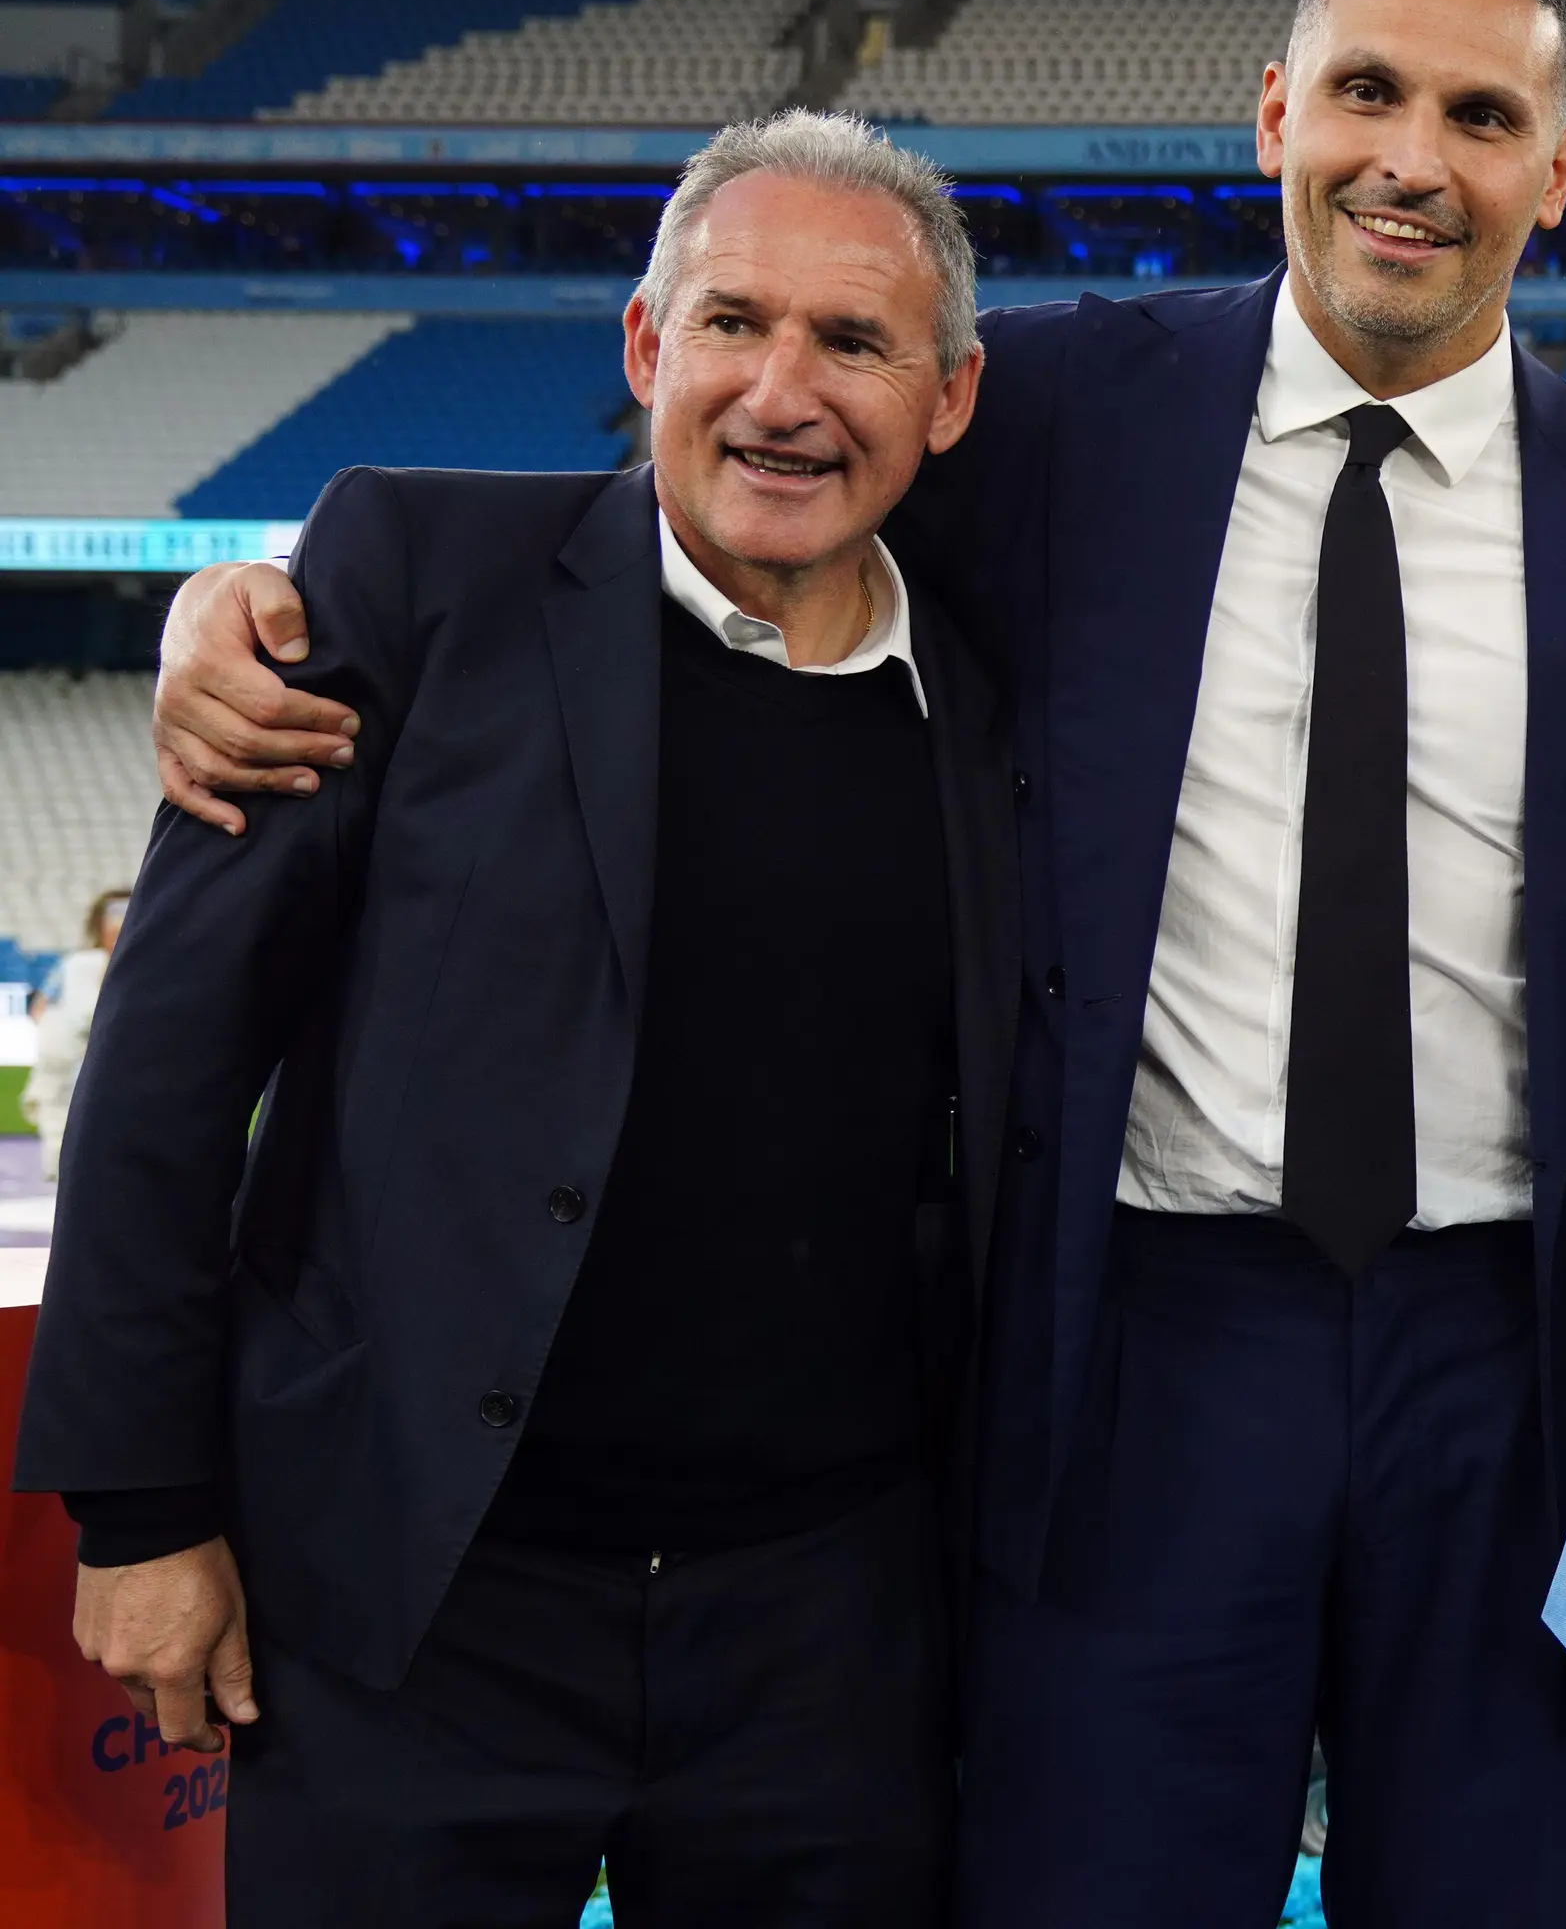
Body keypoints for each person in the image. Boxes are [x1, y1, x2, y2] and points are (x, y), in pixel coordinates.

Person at [147, 0, 1566, 1928]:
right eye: (1364, 92)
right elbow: (714, 472)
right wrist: (250, 608)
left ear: (1559, 167)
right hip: (1140, 1337)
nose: (1411, 161)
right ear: (1277, 113)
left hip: (1512, 1352)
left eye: (1479, 114)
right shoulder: (1059, 423)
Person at [18, 110, 1016, 1924]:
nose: (782, 391)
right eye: (732, 323)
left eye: (853, 344)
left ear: (946, 400)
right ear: (647, 348)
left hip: (824, 1632)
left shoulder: (997, 686)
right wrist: (140, 1510)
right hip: (415, 1598)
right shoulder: (412, 579)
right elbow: (169, 1061)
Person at [19, 886, 124, 1188]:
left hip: (82, 1049)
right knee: (60, 1112)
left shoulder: (83, 962)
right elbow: (62, 1011)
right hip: (71, 1049)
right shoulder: (82, 963)